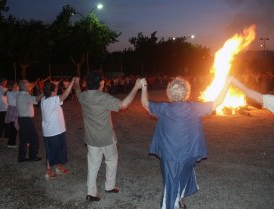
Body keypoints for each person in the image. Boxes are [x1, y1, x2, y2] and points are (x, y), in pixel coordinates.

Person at [140, 76, 231, 209]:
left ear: (169, 93)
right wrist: (227, 83)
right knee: (183, 176)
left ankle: (172, 204)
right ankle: (178, 200)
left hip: (170, 157)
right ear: (187, 93)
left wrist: (144, 86)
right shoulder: (194, 107)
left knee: (170, 187)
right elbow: (217, 102)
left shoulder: (164, 108)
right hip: (189, 155)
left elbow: (144, 103)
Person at [75, 71, 142, 202]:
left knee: (93, 165)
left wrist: (76, 83)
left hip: (91, 139)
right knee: (111, 160)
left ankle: (91, 193)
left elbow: (77, 91)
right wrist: (136, 87)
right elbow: (123, 105)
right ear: (101, 83)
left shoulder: (83, 96)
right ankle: (109, 186)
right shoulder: (103, 98)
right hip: (106, 138)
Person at [41, 78, 75, 179]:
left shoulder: (44, 99)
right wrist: (71, 83)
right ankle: (48, 171)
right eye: (55, 90)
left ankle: (58, 167)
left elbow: (53, 93)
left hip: (56, 130)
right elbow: (64, 96)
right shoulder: (52, 100)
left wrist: (54, 85)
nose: (56, 91)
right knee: (51, 152)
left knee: (59, 150)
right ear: (52, 92)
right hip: (53, 132)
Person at [17, 80, 43, 162]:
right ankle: (32, 156)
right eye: (28, 86)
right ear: (24, 87)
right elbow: (36, 99)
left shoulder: (20, 94)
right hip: (26, 120)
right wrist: (44, 93)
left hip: (22, 119)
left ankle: (21, 158)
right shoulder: (24, 95)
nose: (30, 87)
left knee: (23, 139)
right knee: (34, 139)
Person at [5, 81, 19, 148]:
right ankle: (11, 143)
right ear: (13, 86)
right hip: (13, 109)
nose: (17, 87)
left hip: (12, 109)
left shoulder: (10, 92)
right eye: (16, 85)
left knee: (13, 127)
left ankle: (11, 142)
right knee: (13, 128)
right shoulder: (12, 93)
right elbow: (15, 101)